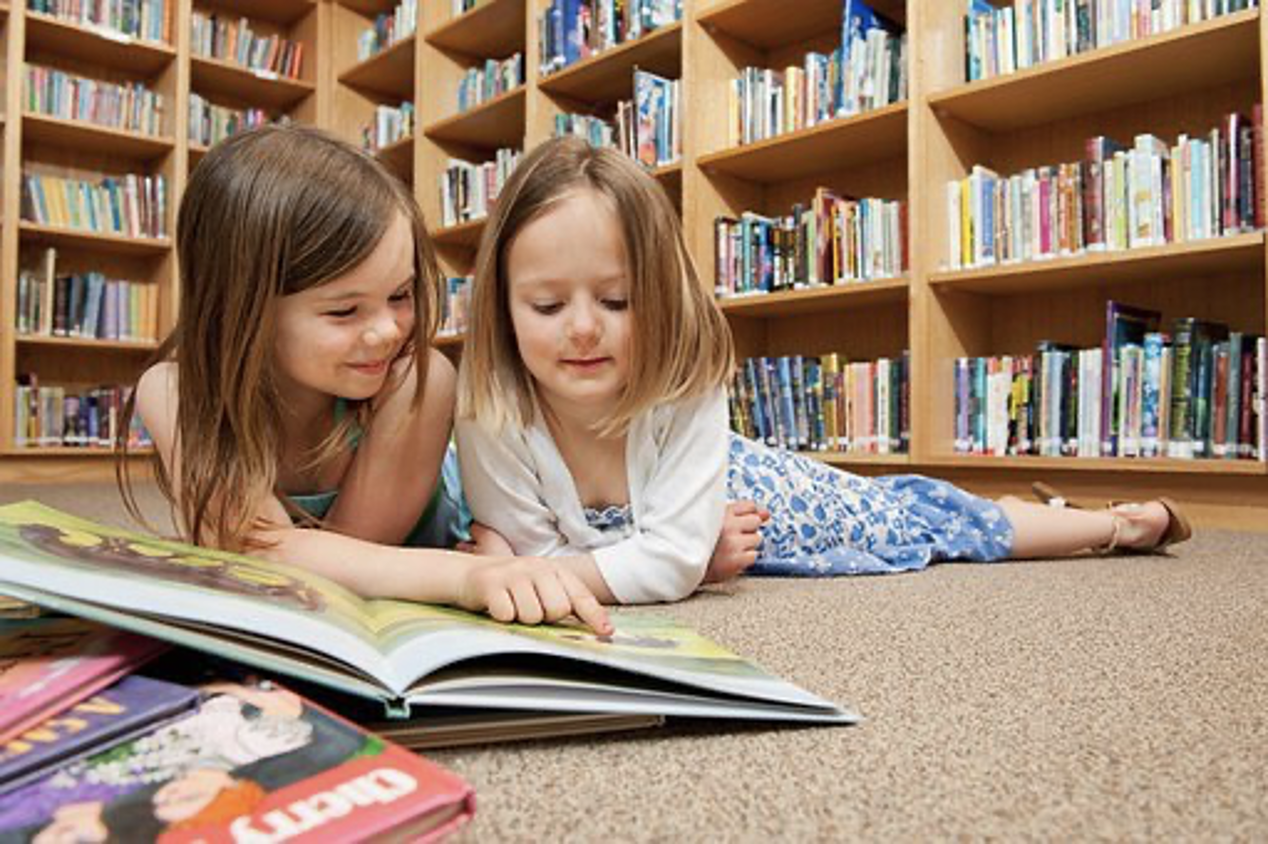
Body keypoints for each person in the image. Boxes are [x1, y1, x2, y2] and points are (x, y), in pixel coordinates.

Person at [454, 136, 1192, 608]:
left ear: (661, 298)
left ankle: (1113, 526)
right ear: (502, 306)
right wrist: (657, 560)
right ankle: (1063, 512)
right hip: (700, 522)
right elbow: (572, 565)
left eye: (616, 299)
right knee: (924, 514)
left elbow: (560, 569)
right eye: (547, 305)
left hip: (752, 490)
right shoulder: (488, 409)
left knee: (925, 518)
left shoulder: (685, 384)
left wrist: (663, 564)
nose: (583, 328)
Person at [116, 124, 612, 633]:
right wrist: (466, 576)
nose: (386, 332)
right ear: (240, 307)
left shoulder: (416, 380)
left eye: (400, 296)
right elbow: (264, 556)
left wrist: (475, 569)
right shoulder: (175, 392)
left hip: (491, 531)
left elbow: (342, 565)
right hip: (465, 566)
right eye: (345, 310)